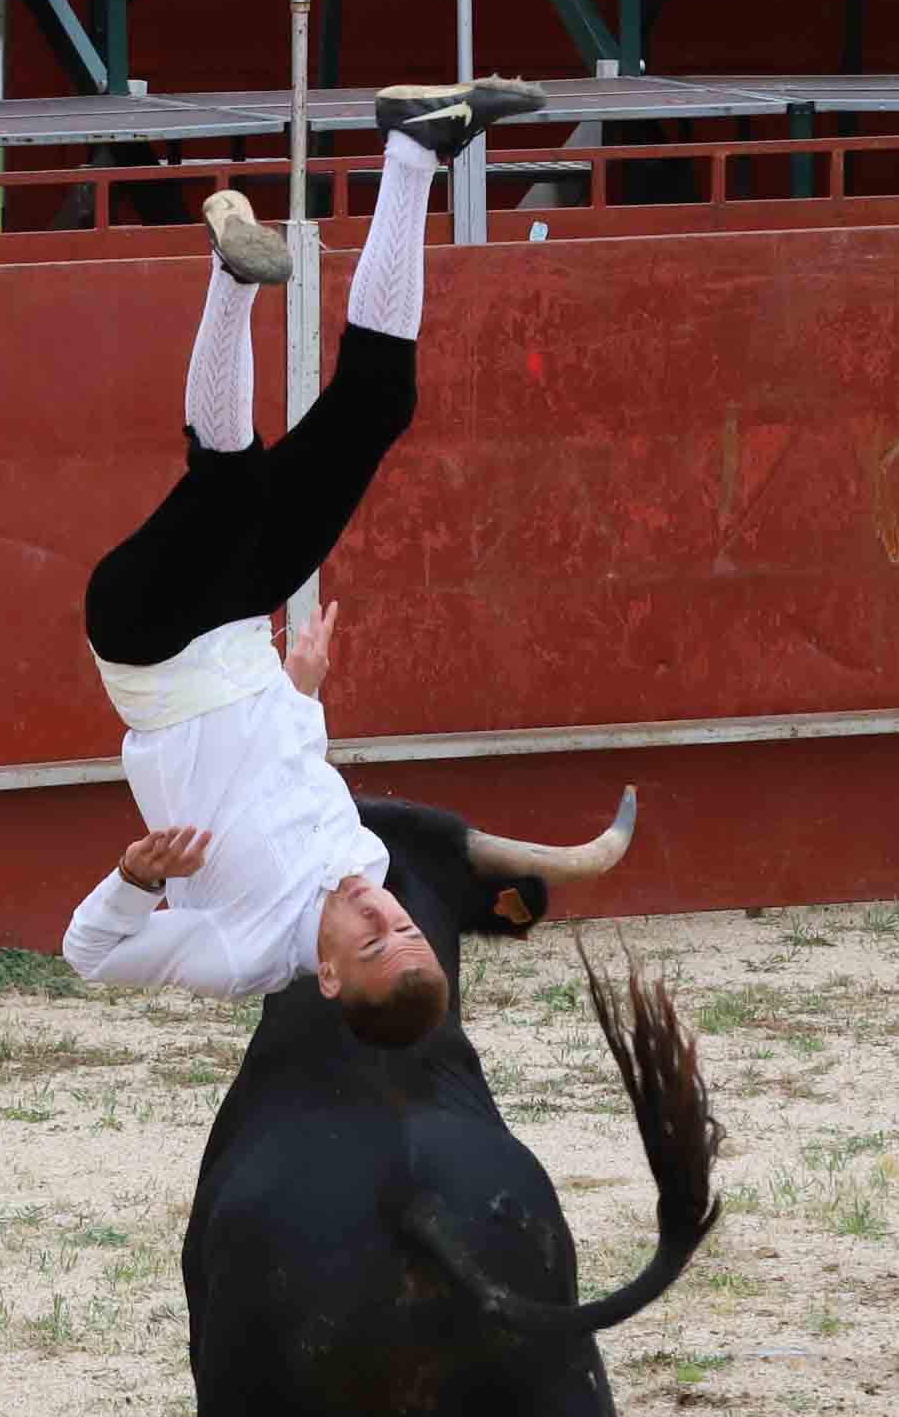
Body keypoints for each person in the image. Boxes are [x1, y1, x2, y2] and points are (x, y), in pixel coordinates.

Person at [58, 80, 547, 1044]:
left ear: (322, 976)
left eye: (371, 942)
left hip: (149, 643)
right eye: (404, 924)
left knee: (230, 483)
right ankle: (415, 152)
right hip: (241, 624)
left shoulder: (243, 953)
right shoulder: (359, 855)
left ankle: (232, 276)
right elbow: (278, 779)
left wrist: (136, 879)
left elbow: (91, 959)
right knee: (378, 407)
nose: (381, 913)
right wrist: (302, 694)